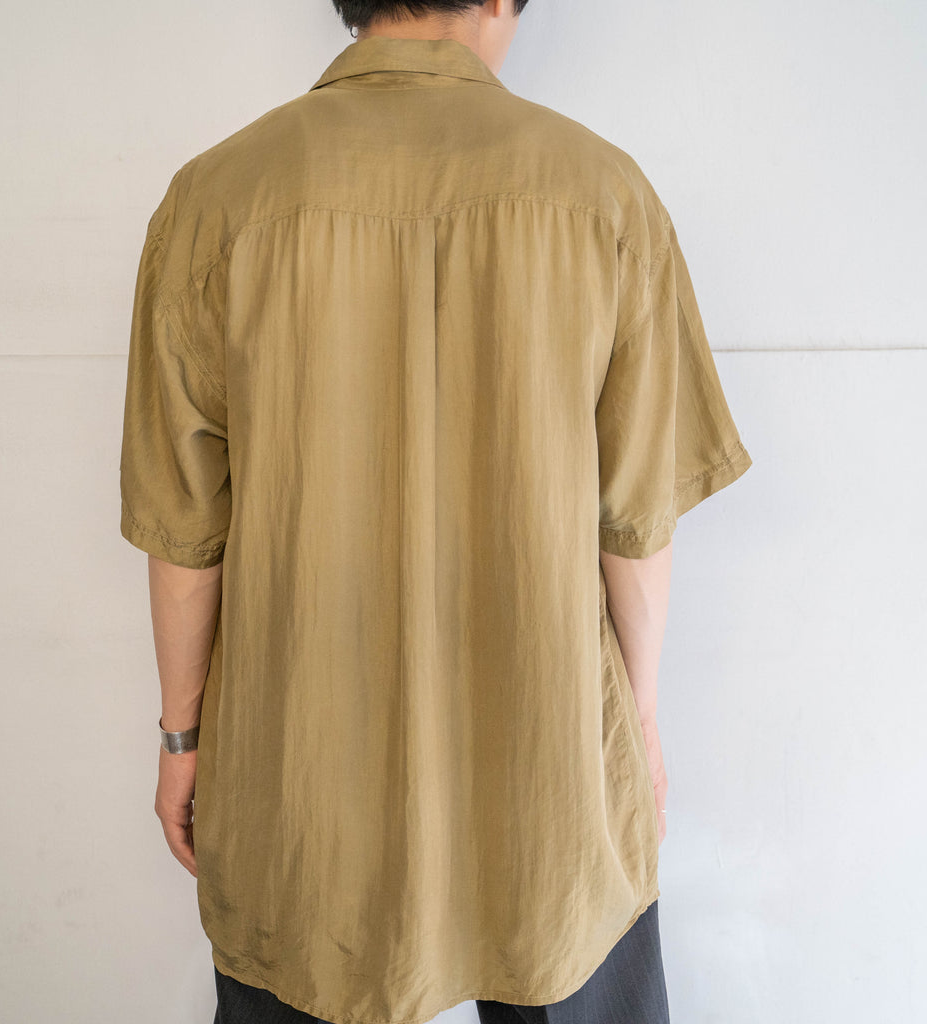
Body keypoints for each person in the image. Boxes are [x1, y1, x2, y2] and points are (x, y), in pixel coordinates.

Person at [118, 2, 754, 1022]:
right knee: (565, 937)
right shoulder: (602, 194)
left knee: (299, 963)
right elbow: (634, 523)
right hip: (543, 750)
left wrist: (182, 737)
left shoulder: (217, 198)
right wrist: (633, 721)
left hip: (300, 766)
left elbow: (184, 531)